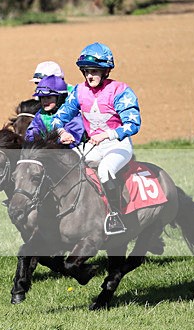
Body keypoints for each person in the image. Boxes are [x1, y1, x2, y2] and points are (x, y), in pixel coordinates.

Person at [52, 42, 141, 235]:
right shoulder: (78, 91)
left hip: (118, 145)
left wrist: (106, 135)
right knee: (62, 164)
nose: (89, 76)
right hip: (92, 146)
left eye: (94, 71)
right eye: (86, 71)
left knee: (105, 170)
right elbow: (58, 118)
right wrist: (62, 132)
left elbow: (133, 124)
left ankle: (115, 216)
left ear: (105, 71)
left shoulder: (120, 91)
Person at [24, 75, 83, 145]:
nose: (44, 101)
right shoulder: (40, 115)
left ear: (60, 98)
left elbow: (74, 137)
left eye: (48, 97)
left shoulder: (71, 115)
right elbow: (31, 133)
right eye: (42, 98)